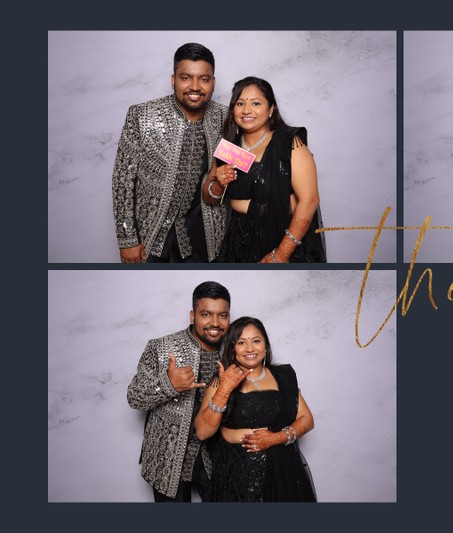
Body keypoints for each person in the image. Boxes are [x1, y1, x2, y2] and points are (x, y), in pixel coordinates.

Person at [112, 43, 227, 263]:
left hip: (206, 242)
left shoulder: (227, 118)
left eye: (204, 79)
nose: (195, 86)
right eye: (186, 78)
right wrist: (127, 239)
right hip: (150, 239)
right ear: (173, 80)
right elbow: (122, 180)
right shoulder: (142, 115)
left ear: (213, 82)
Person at [201, 77, 326, 263]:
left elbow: (309, 200)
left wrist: (281, 254)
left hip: (283, 240)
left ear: (271, 109)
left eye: (256, 103)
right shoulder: (229, 147)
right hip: (239, 242)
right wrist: (219, 184)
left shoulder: (290, 143)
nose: (246, 110)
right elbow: (209, 198)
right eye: (240, 103)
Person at [127, 281, 231, 502]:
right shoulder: (161, 347)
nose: (215, 323)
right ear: (193, 316)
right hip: (167, 456)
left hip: (217, 455)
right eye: (206, 314)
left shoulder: (235, 352)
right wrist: (169, 385)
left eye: (223, 315)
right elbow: (134, 397)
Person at [195, 316, 317, 502]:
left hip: (281, 470)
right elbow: (202, 433)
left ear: (265, 345)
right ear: (232, 347)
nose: (250, 349)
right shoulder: (222, 380)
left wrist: (276, 438)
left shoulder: (283, 376)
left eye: (256, 341)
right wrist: (224, 390)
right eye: (242, 342)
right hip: (236, 471)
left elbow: (307, 420)